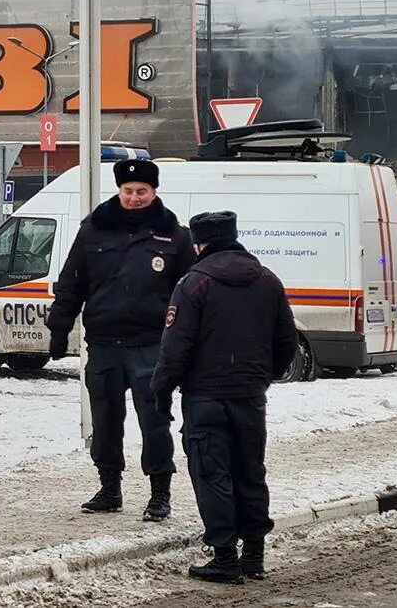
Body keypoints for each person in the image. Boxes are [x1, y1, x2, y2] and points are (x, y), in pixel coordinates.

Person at [152, 211, 297, 584]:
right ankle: (254, 555)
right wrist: (264, 376)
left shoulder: (194, 283)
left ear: (200, 244)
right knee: (250, 471)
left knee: (212, 473)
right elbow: (286, 343)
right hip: (250, 396)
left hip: (206, 397)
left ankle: (225, 558)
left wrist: (162, 390)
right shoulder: (268, 280)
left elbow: (175, 348)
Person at [46, 158, 195, 521]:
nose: (134, 197)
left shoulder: (175, 235)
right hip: (104, 343)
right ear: (119, 191)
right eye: (128, 191)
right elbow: (72, 282)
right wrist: (59, 327)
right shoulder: (94, 229)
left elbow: (192, 292)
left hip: (151, 345)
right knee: (106, 420)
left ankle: (160, 492)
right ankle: (109, 487)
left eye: (141, 191)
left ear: (154, 192)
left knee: (154, 422)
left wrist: (189, 343)